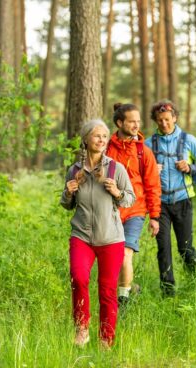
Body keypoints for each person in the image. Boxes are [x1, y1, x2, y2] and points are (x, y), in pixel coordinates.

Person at [60, 119, 136, 348]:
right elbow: (66, 204)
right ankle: (82, 329)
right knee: (79, 278)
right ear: (86, 139)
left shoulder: (115, 168)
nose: (102, 140)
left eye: (104, 136)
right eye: (97, 136)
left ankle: (106, 339)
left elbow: (131, 199)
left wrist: (117, 192)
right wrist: (68, 192)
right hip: (82, 236)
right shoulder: (74, 170)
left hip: (110, 238)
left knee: (107, 290)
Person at [145, 99, 196, 296]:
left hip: (183, 200)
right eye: (159, 120)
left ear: (174, 117)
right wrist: (150, 171)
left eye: (167, 119)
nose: (164, 124)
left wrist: (190, 167)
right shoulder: (149, 144)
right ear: (155, 121)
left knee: (185, 247)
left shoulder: (188, 140)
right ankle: (168, 291)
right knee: (163, 248)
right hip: (160, 204)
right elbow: (140, 173)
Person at [106, 103, 162, 307]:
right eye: (131, 121)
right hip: (109, 211)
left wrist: (154, 217)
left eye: (138, 121)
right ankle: (128, 287)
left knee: (124, 253)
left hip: (135, 211)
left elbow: (153, 185)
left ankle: (123, 300)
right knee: (112, 257)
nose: (136, 125)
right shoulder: (106, 148)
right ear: (120, 122)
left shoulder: (143, 152)